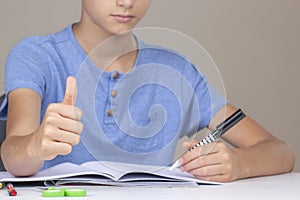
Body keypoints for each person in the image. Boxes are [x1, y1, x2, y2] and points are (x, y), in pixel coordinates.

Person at [0, 0, 294, 182]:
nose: (127, 1)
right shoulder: (36, 56)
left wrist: (238, 164)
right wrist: (35, 144)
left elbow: (280, 153)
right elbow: (13, 156)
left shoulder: (176, 72)